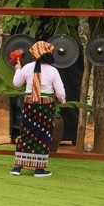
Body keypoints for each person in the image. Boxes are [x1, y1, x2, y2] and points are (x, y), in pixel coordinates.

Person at [11, 41, 66, 177]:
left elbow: (16, 83)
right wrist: (62, 100)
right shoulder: (53, 71)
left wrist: (18, 68)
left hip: (29, 105)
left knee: (26, 133)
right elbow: (60, 92)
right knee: (43, 134)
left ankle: (18, 167)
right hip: (46, 106)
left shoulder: (27, 68)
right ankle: (39, 169)